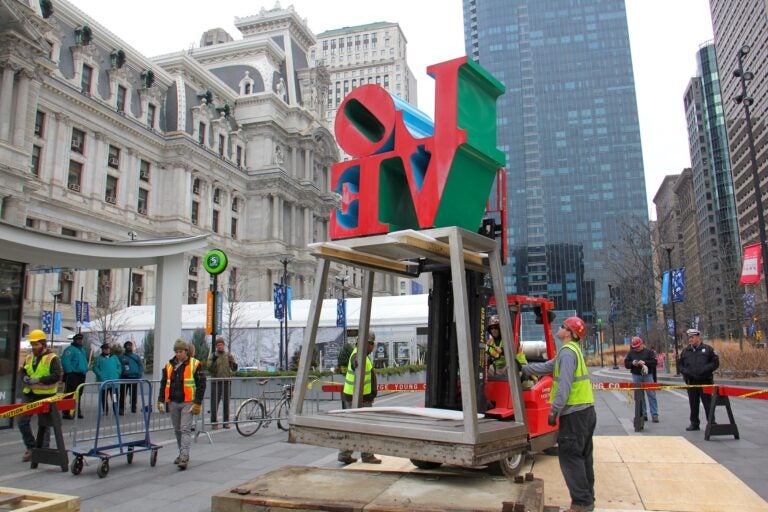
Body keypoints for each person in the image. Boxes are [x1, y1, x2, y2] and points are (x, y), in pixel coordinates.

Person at [521, 317, 596, 512]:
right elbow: (548, 366)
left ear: (569, 333)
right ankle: (588, 500)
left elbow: (564, 384)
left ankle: (581, 504)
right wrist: (524, 369)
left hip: (575, 413)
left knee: (570, 457)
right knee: (583, 456)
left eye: (563, 326)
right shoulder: (571, 351)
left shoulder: (568, 353)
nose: (559, 328)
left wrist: (554, 410)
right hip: (586, 412)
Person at [158, 339, 206, 470]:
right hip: (173, 401)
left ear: (186, 351)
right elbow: (164, 383)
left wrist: (197, 403)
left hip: (188, 402)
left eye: (181, 351)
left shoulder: (195, 364)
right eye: (176, 352)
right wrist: (161, 400)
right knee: (177, 430)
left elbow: (202, 384)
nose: (178, 354)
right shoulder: (169, 365)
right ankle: (182, 453)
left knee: (185, 429)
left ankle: (184, 456)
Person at [18, 329, 63, 462]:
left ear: (43, 344)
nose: (34, 347)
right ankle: (32, 448)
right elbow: (23, 371)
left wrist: (39, 380)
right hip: (29, 393)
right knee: (22, 422)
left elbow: (57, 375)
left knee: (45, 424)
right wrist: (25, 378)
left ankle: (43, 449)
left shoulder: (52, 358)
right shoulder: (29, 356)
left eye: (36, 344)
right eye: (32, 344)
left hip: (46, 394)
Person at [338, 332, 381, 465]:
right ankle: (367, 455)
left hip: (358, 397)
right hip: (357, 398)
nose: (373, 347)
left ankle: (345, 454)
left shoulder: (363, 356)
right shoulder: (358, 355)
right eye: (372, 344)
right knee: (366, 427)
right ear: (367, 344)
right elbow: (355, 361)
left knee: (352, 426)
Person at [678, 328, 719, 431]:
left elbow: (715, 363)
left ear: (698, 337)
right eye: (689, 338)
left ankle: (711, 422)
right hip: (691, 382)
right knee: (693, 404)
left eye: (692, 337)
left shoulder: (708, 349)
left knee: (708, 404)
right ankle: (694, 423)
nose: (690, 339)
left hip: (705, 381)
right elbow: (680, 365)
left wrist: (704, 370)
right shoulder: (685, 351)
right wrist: (686, 372)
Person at [623, 336, 659, 423]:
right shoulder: (631, 353)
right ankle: (643, 414)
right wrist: (632, 363)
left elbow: (654, 362)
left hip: (647, 375)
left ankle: (654, 414)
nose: (637, 349)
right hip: (636, 375)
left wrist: (645, 362)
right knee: (639, 396)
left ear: (642, 344)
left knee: (651, 395)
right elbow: (626, 364)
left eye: (638, 347)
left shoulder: (649, 352)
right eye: (635, 347)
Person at [207, 336, 238, 429]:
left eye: (221, 345)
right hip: (216, 382)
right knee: (214, 403)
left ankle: (226, 422)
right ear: (216, 346)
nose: (220, 346)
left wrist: (233, 362)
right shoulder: (213, 356)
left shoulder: (228, 355)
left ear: (224, 345)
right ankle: (214, 422)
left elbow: (234, 369)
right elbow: (209, 368)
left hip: (226, 382)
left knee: (226, 403)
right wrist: (214, 361)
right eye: (218, 345)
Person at [60, 332, 87, 419]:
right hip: (73, 374)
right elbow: (65, 361)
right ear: (75, 340)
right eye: (78, 340)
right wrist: (69, 372)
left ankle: (76, 410)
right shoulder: (70, 349)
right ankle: (66, 412)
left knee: (79, 393)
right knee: (69, 393)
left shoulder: (82, 350)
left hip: (81, 374)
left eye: (81, 340)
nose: (80, 341)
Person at [93, 343, 121, 416]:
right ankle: (105, 411)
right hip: (104, 381)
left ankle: (115, 410)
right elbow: (95, 367)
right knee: (104, 397)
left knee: (115, 397)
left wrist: (117, 373)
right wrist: (100, 374)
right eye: (104, 349)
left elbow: (119, 366)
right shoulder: (99, 358)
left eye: (107, 348)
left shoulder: (114, 357)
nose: (106, 350)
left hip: (114, 381)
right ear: (102, 350)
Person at [119, 341, 144, 415]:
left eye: (130, 345)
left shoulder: (136, 357)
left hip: (134, 377)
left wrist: (139, 373)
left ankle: (133, 407)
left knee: (134, 394)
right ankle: (121, 408)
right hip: (124, 377)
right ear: (125, 347)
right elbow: (119, 366)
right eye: (128, 345)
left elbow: (140, 365)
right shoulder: (121, 357)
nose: (129, 347)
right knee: (123, 394)